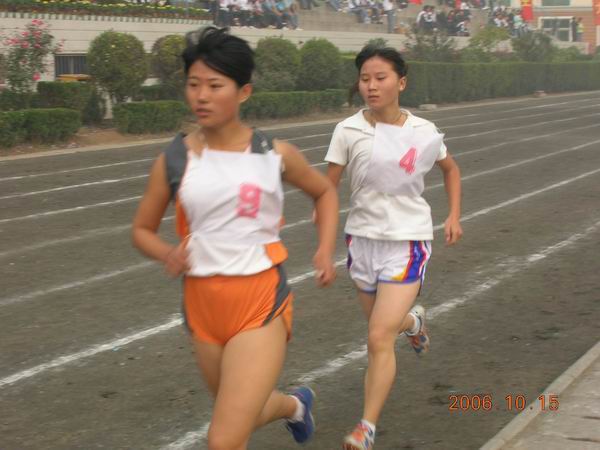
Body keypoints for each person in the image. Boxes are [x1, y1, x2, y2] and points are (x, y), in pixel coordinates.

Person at [132, 26, 339, 450]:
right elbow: (141, 230)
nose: (201, 96)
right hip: (202, 308)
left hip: (260, 302)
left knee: (224, 438)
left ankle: (290, 405)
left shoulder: (274, 154)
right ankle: (294, 406)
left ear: (243, 92)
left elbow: (325, 192)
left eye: (214, 86)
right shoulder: (174, 160)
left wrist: (324, 249)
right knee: (240, 416)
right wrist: (167, 252)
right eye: (193, 84)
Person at [322, 44, 462, 450]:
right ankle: (413, 322)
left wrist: (453, 215)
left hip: (407, 241)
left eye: (380, 78)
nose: (371, 86)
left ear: (401, 83)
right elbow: (327, 188)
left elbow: (451, 169)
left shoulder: (424, 131)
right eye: (364, 78)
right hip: (362, 241)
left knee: (378, 337)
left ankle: (366, 428)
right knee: (381, 329)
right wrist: (323, 235)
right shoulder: (348, 130)